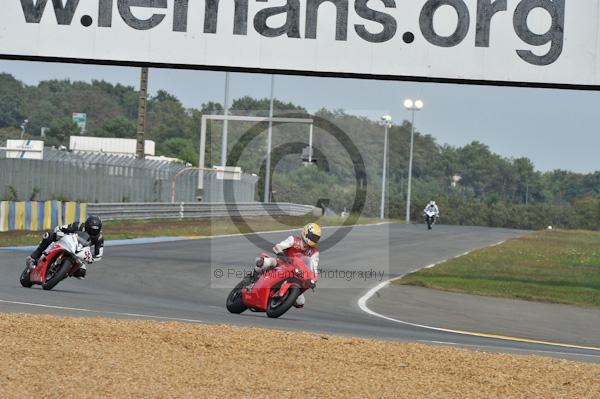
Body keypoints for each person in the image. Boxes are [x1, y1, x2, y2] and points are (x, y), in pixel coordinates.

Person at [254, 223, 321, 308]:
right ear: (306, 233)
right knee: (266, 262)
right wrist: (281, 253)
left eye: (316, 238)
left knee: (300, 302)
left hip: (297, 274)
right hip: (281, 263)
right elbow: (278, 246)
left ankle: (281, 299)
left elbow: (314, 267)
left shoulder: (314, 252)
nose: (313, 239)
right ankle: (251, 277)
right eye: (312, 237)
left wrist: (313, 280)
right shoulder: (293, 240)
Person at [26, 215, 104, 279]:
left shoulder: (99, 238)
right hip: (68, 242)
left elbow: (98, 255)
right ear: (86, 226)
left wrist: (91, 258)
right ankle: (33, 257)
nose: (93, 232)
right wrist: (60, 233)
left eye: (95, 230)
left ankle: (62, 273)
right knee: (49, 236)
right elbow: (61, 228)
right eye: (91, 229)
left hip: (79, 252)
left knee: (81, 273)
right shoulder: (78, 225)